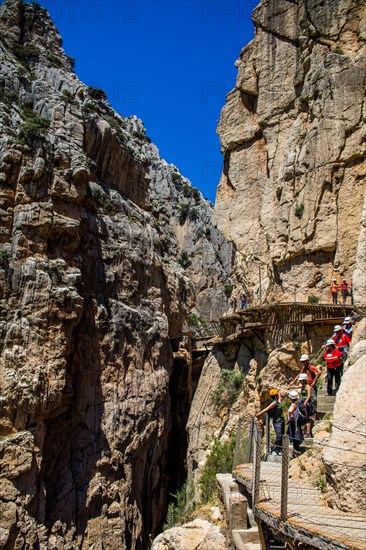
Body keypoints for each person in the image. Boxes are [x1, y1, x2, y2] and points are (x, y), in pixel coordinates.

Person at [256, 389, 285, 455]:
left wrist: (278, 393)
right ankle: (274, 449)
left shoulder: (277, 402)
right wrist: (260, 414)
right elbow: (267, 409)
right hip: (277, 422)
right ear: (275, 395)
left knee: (282, 436)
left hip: (281, 421)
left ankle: (279, 449)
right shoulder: (274, 403)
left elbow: (280, 398)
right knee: (279, 436)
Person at [287, 390, 303, 457]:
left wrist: (290, 416)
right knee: (295, 438)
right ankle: (295, 452)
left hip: (294, 424)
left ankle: (296, 453)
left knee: (295, 438)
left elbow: (290, 410)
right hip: (296, 423)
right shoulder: (296, 404)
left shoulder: (293, 405)